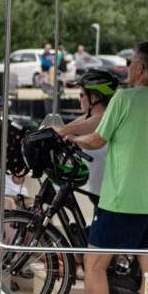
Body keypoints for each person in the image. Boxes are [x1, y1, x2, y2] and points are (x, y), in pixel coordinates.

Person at [72, 41, 148, 294]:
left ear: (141, 67)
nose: (126, 69)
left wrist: (70, 139)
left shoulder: (123, 99)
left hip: (122, 200)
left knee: (94, 263)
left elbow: (96, 141)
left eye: (129, 63)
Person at [54, 68, 122, 203]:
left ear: (94, 97)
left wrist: (65, 132)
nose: (79, 99)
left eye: (81, 95)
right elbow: (76, 125)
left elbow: (81, 127)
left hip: (110, 197)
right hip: (101, 195)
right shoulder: (91, 118)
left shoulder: (106, 119)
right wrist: (59, 131)